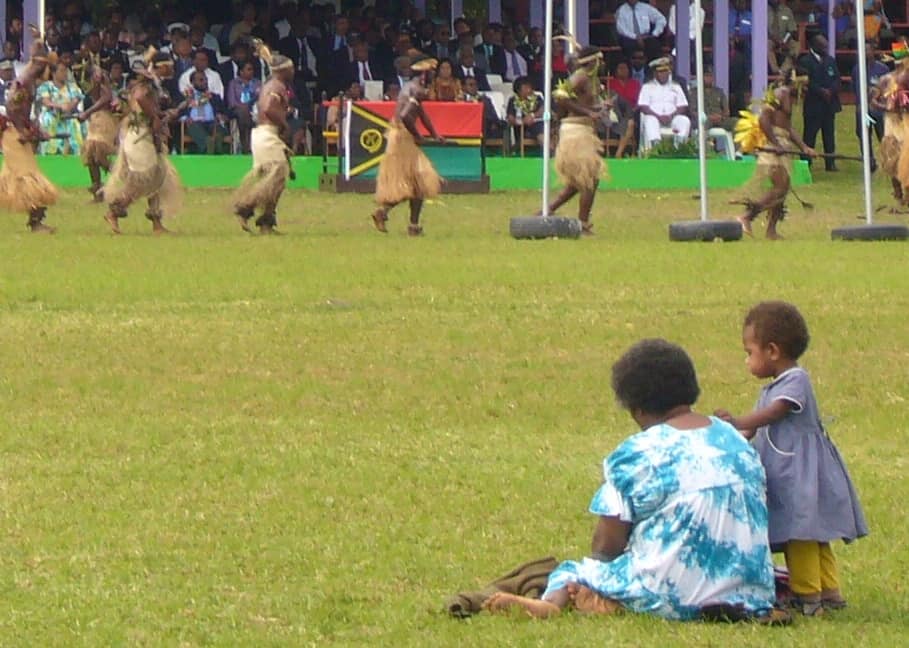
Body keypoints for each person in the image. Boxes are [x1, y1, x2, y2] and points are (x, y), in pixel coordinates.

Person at [485, 339, 781, 623]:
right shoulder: (734, 439)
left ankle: (552, 603)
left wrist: (602, 570)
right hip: (749, 594)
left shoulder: (636, 453)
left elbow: (607, 545)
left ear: (636, 408)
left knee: (573, 571)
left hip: (669, 595)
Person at [715, 302, 868, 616]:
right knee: (813, 537)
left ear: (772, 350)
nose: (747, 360)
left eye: (749, 352)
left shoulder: (796, 380)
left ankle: (808, 597)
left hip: (801, 475)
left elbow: (775, 413)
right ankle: (830, 593)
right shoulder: (773, 387)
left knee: (802, 535)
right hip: (789, 473)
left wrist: (741, 420)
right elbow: (758, 430)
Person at [102, 52, 182, 235]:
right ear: (161, 66)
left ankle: (156, 223)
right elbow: (139, 97)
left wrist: (163, 115)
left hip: (146, 137)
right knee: (142, 180)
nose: (171, 69)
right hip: (139, 138)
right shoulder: (146, 83)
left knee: (157, 179)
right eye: (168, 65)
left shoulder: (155, 83)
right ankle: (113, 212)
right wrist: (154, 116)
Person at [733, 68, 815, 239]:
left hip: (782, 143)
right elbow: (764, 119)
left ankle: (771, 230)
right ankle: (746, 217)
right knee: (779, 187)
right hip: (773, 144)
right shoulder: (781, 93)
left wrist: (804, 147)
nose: (806, 90)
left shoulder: (789, 97)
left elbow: (788, 127)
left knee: (783, 189)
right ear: (795, 82)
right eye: (804, 85)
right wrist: (776, 144)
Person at [370, 55, 445, 237]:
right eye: (431, 73)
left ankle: (410, 224)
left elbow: (421, 113)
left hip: (402, 136)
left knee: (417, 184)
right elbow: (405, 116)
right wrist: (418, 135)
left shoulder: (414, 88)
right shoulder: (416, 89)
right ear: (423, 75)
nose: (434, 77)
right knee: (417, 181)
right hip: (402, 138)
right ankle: (390, 215)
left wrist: (435, 134)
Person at [233, 43, 295, 235]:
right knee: (276, 177)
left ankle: (266, 223)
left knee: (275, 180)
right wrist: (284, 124)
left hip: (264, 134)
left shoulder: (273, 84)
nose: (293, 71)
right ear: (283, 70)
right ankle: (246, 208)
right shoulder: (276, 86)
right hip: (267, 134)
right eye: (290, 68)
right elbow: (268, 108)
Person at [545, 44, 607, 235]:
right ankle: (582, 224)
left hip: (585, 130)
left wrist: (600, 107)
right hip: (575, 131)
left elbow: (585, 102)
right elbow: (560, 96)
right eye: (600, 59)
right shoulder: (580, 76)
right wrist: (588, 111)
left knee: (578, 182)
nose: (603, 63)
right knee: (589, 179)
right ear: (593, 61)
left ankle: (547, 211)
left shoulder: (592, 79)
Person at [0, 41, 60, 233]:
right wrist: (22, 130)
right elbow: (11, 106)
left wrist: (34, 128)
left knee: (13, 178)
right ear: (40, 64)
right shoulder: (24, 80)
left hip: (18, 132)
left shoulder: (30, 79)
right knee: (29, 178)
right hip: (14, 134)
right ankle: (35, 223)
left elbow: (23, 111)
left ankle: (36, 221)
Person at [799, 34, 841, 172]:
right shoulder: (805, 61)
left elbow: (836, 78)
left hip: (829, 105)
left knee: (829, 135)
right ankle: (805, 162)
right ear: (813, 46)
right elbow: (806, 81)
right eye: (822, 46)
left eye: (826, 46)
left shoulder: (830, 60)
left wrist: (831, 90)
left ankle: (830, 163)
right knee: (810, 135)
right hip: (813, 105)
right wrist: (821, 91)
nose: (825, 48)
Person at [78, 63, 119, 201]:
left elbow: (106, 99)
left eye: (99, 72)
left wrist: (87, 112)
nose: (98, 75)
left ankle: (122, 174)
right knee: (91, 157)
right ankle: (97, 190)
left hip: (105, 122)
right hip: (94, 122)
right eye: (95, 73)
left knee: (97, 151)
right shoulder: (92, 88)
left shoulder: (105, 87)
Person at [638, 57, 690, 150]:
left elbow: (683, 106)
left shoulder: (676, 86)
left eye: (666, 71)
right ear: (655, 73)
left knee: (684, 120)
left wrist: (671, 116)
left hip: (672, 118)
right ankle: (655, 149)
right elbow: (643, 106)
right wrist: (658, 117)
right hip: (654, 117)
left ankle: (679, 148)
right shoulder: (647, 87)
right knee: (650, 120)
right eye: (660, 72)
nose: (664, 74)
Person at [851, 41, 888, 173]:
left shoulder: (882, 69)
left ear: (873, 52)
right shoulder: (856, 69)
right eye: (863, 50)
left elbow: (887, 89)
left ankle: (887, 160)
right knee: (864, 135)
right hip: (863, 110)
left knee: (882, 135)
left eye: (868, 50)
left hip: (878, 110)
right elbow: (855, 89)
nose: (866, 53)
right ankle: (869, 161)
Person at [36, 61, 85, 155]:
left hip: (69, 116)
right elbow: (46, 101)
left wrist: (68, 107)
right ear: (54, 73)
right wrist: (59, 106)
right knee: (48, 119)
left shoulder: (72, 86)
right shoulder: (46, 86)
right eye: (62, 71)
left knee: (76, 122)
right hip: (52, 116)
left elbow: (75, 100)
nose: (65, 73)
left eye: (66, 71)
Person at [179, 70, 230, 154]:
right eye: (201, 80)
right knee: (195, 127)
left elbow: (226, 112)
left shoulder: (214, 97)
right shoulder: (187, 96)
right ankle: (209, 145)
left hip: (212, 123)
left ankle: (212, 146)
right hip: (195, 124)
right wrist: (185, 118)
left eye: (206, 80)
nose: (205, 82)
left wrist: (222, 116)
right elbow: (179, 112)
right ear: (192, 82)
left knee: (218, 129)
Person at [227, 60, 261, 154]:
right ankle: (245, 143)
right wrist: (244, 107)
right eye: (249, 69)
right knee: (243, 111)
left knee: (249, 112)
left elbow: (261, 99)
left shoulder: (257, 83)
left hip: (255, 110)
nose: (252, 71)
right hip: (237, 110)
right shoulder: (233, 83)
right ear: (241, 72)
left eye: (252, 69)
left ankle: (247, 144)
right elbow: (232, 102)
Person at [506, 76, 543, 147]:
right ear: (518, 90)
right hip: (523, 130)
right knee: (540, 129)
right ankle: (549, 151)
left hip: (538, 125)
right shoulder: (513, 100)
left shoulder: (537, 98)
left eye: (530, 87)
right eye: (526, 88)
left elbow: (543, 110)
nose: (529, 90)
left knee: (540, 127)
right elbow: (510, 118)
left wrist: (532, 115)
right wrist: (522, 121)